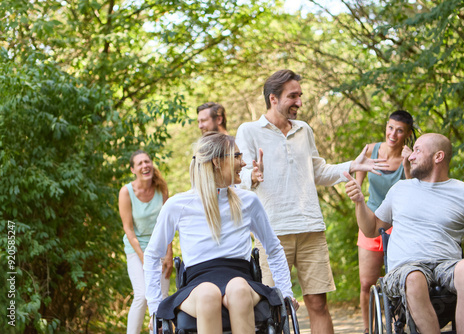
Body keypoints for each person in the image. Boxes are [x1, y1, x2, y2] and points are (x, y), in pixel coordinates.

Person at [235, 69, 389, 334]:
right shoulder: (249, 131)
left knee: (318, 303)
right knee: (272, 306)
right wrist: (253, 175)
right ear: (273, 98)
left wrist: (352, 165)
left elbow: (317, 171)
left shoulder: (304, 129)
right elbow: (239, 176)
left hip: (311, 228)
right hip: (272, 231)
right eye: (292, 96)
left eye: (300, 95)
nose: (299, 102)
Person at [144, 132, 298, 334]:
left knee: (238, 289)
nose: (243, 163)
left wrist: (286, 293)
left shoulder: (248, 201)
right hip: (197, 284)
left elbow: (274, 248)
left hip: (241, 278)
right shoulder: (177, 205)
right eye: (237, 156)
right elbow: (152, 255)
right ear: (217, 162)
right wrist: (155, 308)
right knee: (209, 293)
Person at [344, 133, 464, 333]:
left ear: (438, 157)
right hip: (406, 268)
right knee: (414, 276)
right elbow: (371, 229)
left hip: (447, 265)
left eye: (417, 150)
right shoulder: (400, 189)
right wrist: (359, 202)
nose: (410, 156)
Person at [355, 110, 417, 334]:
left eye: (400, 130)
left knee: (400, 280)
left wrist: (408, 166)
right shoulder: (371, 150)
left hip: (399, 225)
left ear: (407, 134)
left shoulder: (408, 157)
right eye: (390, 127)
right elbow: (356, 183)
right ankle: (368, 329)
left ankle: (399, 324)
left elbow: (414, 190)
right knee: (366, 282)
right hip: (371, 222)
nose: (393, 134)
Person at [119, 150, 174, 334]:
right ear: (133, 169)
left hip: (159, 248)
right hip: (137, 250)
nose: (145, 166)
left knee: (162, 297)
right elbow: (128, 229)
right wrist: (144, 258)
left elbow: (168, 223)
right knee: (142, 295)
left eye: (147, 162)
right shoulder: (126, 192)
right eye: (140, 163)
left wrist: (169, 253)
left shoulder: (161, 189)